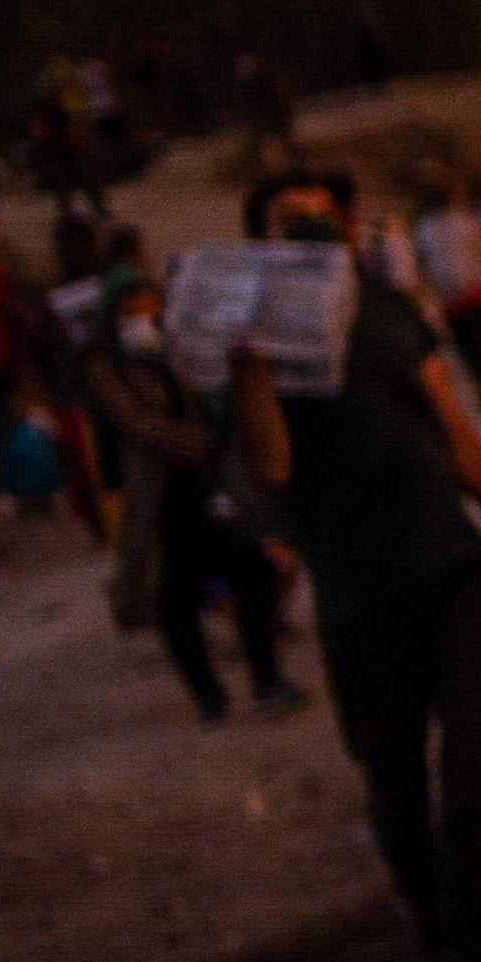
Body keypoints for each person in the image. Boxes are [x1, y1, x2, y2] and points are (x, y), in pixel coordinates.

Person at [231, 168, 481, 962]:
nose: (313, 234)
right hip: (355, 595)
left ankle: (473, 951)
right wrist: (250, 371)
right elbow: (271, 468)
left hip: (450, 569)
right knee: (393, 779)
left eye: (324, 219)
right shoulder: (255, 351)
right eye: (291, 223)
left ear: (351, 230)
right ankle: (431, 918)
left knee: (472, 762)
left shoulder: (393, 315)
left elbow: (457, 438)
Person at [81, 267, 301, 724]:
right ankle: (208, 696)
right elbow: (136, 423)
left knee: (254, 571)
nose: (143, 318)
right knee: (174, 601)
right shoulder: (106, 369)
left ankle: (267, 679)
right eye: (129, 312)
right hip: (158, 500)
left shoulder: (183, 351)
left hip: (209, 493)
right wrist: (199, 442)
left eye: (149, 308)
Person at [408, 164, 481, 415]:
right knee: (464, 346)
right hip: (449, 298)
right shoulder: (425, 228)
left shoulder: (468, 221)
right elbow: (422, 261)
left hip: (476, 292)